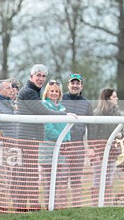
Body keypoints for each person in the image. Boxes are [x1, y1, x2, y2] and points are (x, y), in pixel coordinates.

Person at [15, 64, 72, 211]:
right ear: (31, 76)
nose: (41, 79)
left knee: (26, 174)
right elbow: (43, 112)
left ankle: (22, 207)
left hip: (30, 137)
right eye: (38, 75)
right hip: (27, 138)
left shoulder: (34, 91)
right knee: (30, 174)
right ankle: (32, 206)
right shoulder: (29, 92)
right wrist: (65, 115)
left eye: (43, 76)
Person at [61, 73, 93, 206]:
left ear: (81, 86)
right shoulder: (61, 99)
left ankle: (76, 206)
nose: (75, 85)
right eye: (72, 83)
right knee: (62, 178)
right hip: (63, 144)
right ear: (68, 85)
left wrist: (90, 146)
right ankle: (60, 205)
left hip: (79, 144)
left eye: (77, 83)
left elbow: (91, 126)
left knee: (76, 178)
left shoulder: (86, 103)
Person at [88, 88, 122, 205]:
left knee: (109, 179)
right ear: (107, 99)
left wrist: (120, 134)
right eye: (114, 97)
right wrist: (93, 150)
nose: (116, 99)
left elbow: (121, 130)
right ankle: (96, 203)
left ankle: (106, 202)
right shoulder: (97, 113)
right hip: (99, 151)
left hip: (112, 151)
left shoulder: (117, 113)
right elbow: (92, 133)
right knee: (98, 178)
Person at [40, 81, 70, 209]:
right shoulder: (44, 105)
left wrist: (67, 141)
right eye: (51, 91)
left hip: (61, 148)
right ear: (47, 92)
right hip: (48, 148)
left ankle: (55, 205)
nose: (54, 93)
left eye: (56, 91)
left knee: (57, 180)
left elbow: (67, 127)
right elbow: (47, 128)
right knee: (48, 180)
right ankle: (48, 205)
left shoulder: (62, 108)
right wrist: (61, 139)